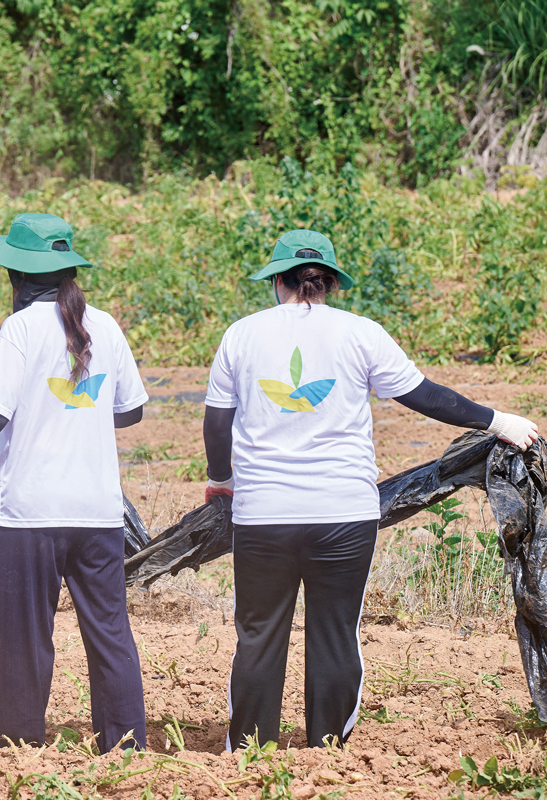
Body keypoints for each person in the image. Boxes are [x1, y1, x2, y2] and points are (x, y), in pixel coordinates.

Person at [203, 229, 540, 750]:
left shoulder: (242, 335)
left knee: (259, 636)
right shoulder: (361, 333)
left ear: (277, 280)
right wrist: (499, 420)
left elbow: (217, 421)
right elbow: (425, 395)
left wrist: (222, 480)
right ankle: (328, 751)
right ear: (331, 282)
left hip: (264, 514)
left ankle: (249, 750)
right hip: (344, 514)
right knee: (335, 633)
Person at [0, 213, 149, 751]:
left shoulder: (19, 328)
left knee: (24, 637)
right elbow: (131, 411)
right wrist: (77, 415)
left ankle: (19, 748)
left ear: (18, 278)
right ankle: (126, 746)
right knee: (110, 634)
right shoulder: (106, 325)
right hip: (97, 514)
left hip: (32, 515)